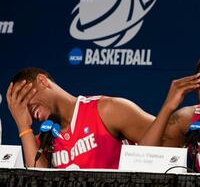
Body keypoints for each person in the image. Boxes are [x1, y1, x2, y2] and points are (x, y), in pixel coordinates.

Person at [6, 67, 155, 169]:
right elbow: (38, 181)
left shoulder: (106, 110)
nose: (24, 108)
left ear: (42, 81)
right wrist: (23, 126)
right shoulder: (41, 142)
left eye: (23, 98)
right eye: (18, 107)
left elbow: (167, 138)